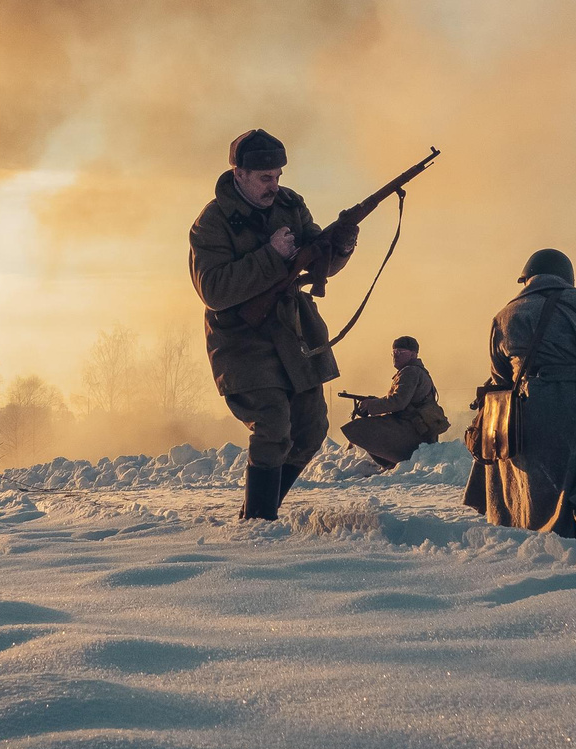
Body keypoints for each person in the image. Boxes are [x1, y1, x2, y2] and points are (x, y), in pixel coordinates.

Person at [189, 128, 358, 520]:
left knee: (312, 428)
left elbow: (319, 260)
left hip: (292, 332)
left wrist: (342, 244)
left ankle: (259, 510)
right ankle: (260, 523)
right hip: (241, 340)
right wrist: (270, 255)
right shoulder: (211, 223)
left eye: (278, 175)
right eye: (265, 177)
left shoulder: (290, 205)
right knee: (271, 425)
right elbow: (213, 289)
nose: (274, 184)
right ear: (239, 175)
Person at [462, 249, 576, 549]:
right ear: (567, 277)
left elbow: (500, 376)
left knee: (534, 478)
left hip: (543, 403)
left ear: (527, 278)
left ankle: (537, 521)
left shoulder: (507, 315)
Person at [340, 335, 450, 472]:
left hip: (411, 429)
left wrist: (371, 405)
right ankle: (391, 464)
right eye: (394, 352)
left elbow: (398, 402)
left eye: (400, 353)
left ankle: (391, 464)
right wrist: (374, 401)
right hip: (417, 429)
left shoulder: (410, 371)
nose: (396, 356)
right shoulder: (415, 371)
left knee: (359, 427)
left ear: (413, 354)